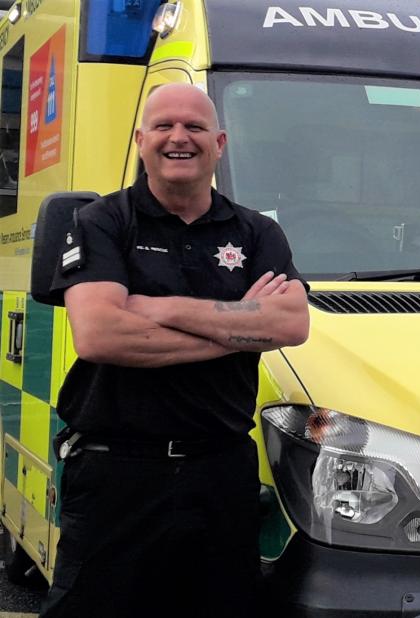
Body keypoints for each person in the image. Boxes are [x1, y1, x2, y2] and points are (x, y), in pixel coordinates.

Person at [39, 83, 310, 618]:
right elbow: (99, 336)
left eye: (194, 127)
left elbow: (291, 323)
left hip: (221, 472)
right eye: (163, 126)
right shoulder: (104, 221)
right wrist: (234, 331)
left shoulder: (257, 233)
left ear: (220, 142)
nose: (178, 138)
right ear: (141, 140)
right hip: (117, 473)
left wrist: (157, 308)